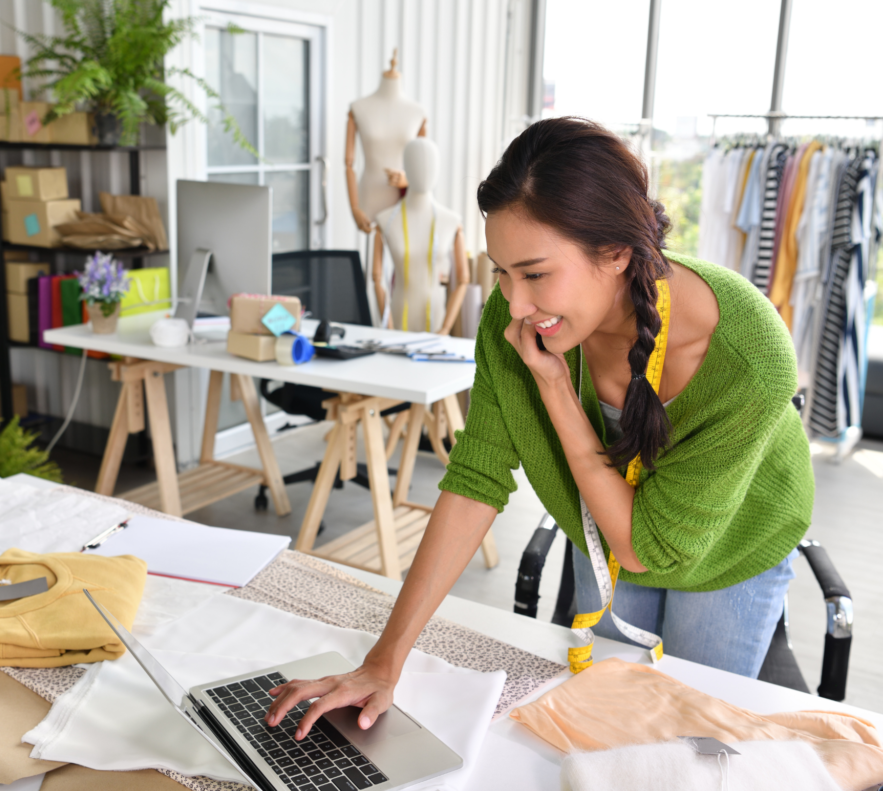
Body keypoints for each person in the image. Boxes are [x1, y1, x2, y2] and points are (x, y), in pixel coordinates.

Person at [264, 117, 814, 741]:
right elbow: (475, 479)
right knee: (609, 730)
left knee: (696, 746)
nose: (513, 303)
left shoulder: (748, 356)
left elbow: (644, 548)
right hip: (606, 532)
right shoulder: (519, 316)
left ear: (616, 254)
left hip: (729, 551)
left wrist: (555, 389)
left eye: (534, 273)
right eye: (500, 271)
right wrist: (384, 661)